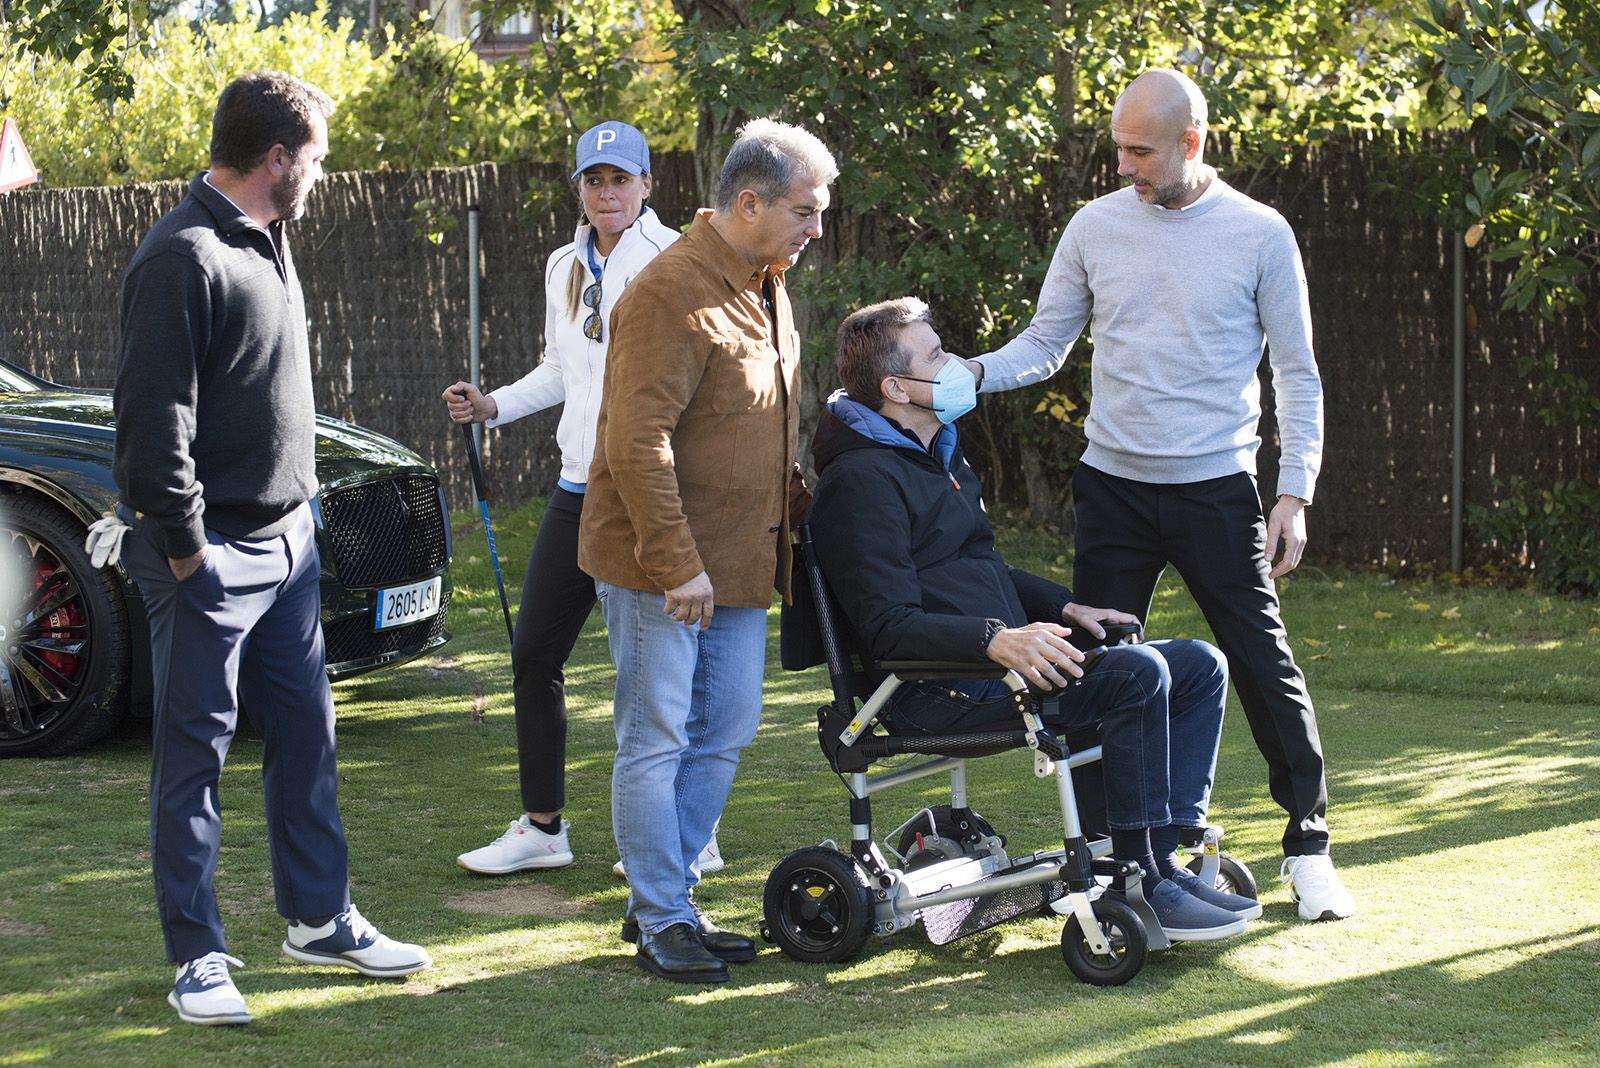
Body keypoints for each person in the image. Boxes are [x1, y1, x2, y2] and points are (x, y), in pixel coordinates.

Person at [964, 69, 1354, 921]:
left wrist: (1294, 494)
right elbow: (1044, 345)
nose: (1125, 166)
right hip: (1114, 490)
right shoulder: (1095, 226)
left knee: (1262, 663)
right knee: (1099, 670)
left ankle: (1309, 846)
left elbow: (1298, 374)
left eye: (1140, 151)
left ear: (1192, 143)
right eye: (1118, 148)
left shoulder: (1259, 233)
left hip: (1216, 491)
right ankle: (1109, 860)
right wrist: (964, 378)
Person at [113, 72, 429, 1028]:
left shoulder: (270, 237)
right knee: (193, 756)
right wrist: (184, 552)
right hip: (210, 558)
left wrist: (300, 525)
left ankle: (320, 918)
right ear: (277, 159)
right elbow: (148, 428)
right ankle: (197, 956)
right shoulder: (181, 257)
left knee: (307, 743)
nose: (322, 174)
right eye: (317, 158)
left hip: (292, 549)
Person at [809, 297, 1260, 941]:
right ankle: (1140, 873)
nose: (957, 364)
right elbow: (888, 625)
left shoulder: (938, 456)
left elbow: (971, 570)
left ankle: (1165, 847)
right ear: (895, 387)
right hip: (932, 689)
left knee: (1196, 664)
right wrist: (996, 640)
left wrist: (1063, 607)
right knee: (1139, 674)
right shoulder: (861, 481)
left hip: (989, 668)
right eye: (937, 357)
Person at [577, 118, 837, 984]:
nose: (815, 229)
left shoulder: (767, 282)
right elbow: (634, 442)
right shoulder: (667, 291)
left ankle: (669, 900)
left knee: (723, 731)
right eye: (804, 211)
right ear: (750, 201)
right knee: (655, 738)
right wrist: (676, 561)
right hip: (665, 566)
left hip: (739, 564)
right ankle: (660, 916)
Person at [441, 122, 725, 881]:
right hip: (579, 486)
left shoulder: (675, 260)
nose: (607, 192)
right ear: (580, 189)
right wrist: (493, 405)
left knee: (662, 675)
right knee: (534, 652)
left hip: (652, 490)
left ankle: (693, 830)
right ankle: (543, 826)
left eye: (620, 179)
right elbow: (561, 369)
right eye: (594, 180)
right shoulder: (563, 264)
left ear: (645, 185)